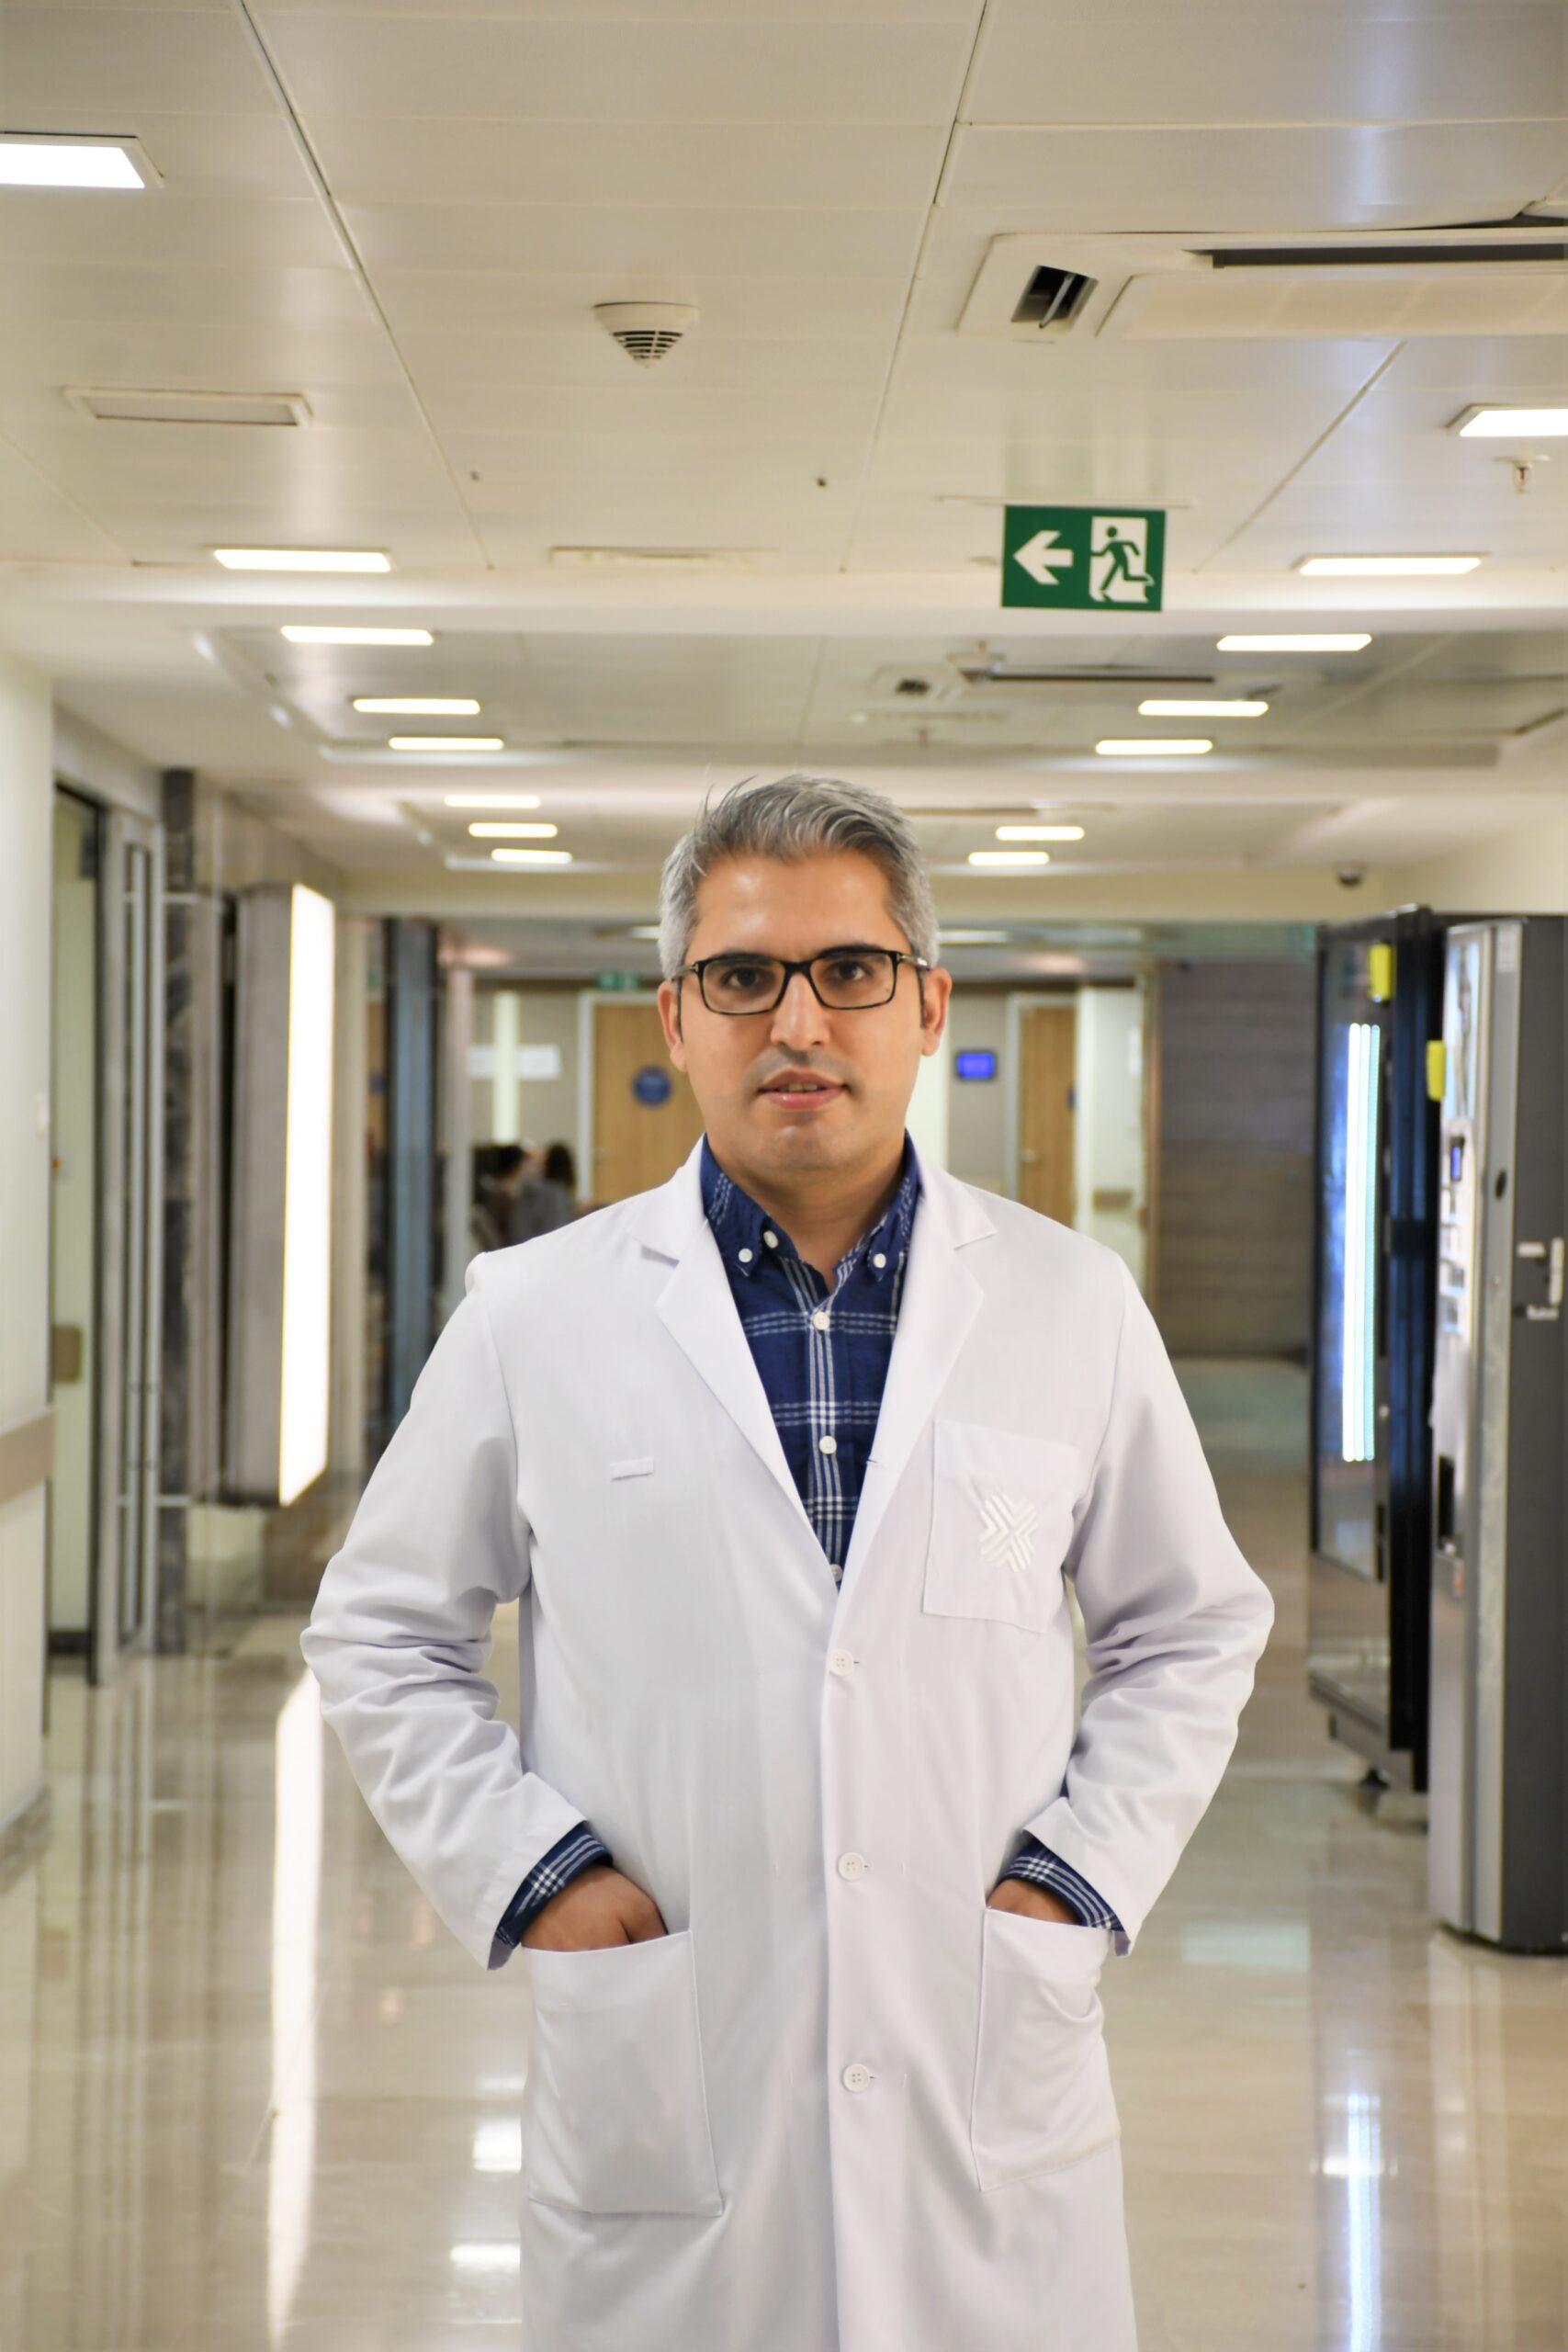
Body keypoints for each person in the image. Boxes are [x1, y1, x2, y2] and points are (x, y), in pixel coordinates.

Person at [301, 774, 1274, 2352]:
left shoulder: (1069, 1303)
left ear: (926, 1004)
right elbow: (381, 1632)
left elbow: (1191, 1628)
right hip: (674, 2081)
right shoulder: (534, 1313)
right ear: (677, 1018)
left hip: (980, 2060)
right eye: (744, 977)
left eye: (850, 970)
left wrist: (1079, 1878)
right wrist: (532, 1873)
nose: (798, 1021)